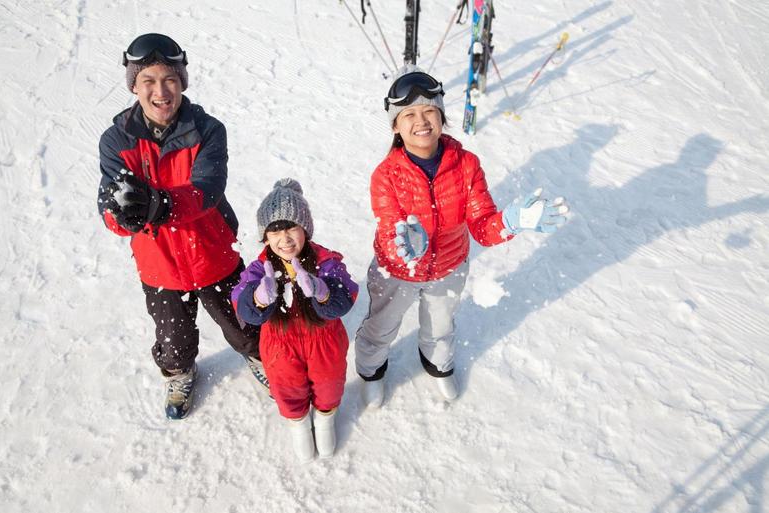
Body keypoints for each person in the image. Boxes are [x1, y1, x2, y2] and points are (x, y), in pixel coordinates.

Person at [355, 65, 569, 407]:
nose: (421, 121)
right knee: (381, 326)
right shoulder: (386, 175)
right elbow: (389, 225)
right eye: (409, 114)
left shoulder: (466, 165)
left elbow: (483, 226)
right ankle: (371, 371)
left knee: (440, 326)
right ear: (395, 125)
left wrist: (510, 222)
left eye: (429, 111)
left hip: (449, 266)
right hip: (396, 272)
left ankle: (437, 366)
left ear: (441, 116)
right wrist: (403, 245)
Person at [96, 33, 268, 420]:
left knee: (243, 322)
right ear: (134, 86)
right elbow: (108, 203)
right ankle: (179, 374)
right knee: (173, 339)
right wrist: (121, 216)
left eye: (169, 79)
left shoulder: (208, 130)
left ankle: (259, 357)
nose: (161, 92)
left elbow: (207, 189)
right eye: (149, 81)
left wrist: (159, 205)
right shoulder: (116, 140)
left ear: (182, 82)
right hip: (159, 265)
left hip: (213, 253)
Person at [232, 179, 358, 462]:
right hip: (280, 345)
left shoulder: (326, 261)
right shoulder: (259, 269)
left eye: (291, 228)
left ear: (306, 229)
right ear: (265, 237)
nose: (285, 239)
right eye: (275, 231)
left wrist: (323, 291)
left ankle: (325, 418)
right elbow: (242, 304)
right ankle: (298, 424)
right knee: (287, 388)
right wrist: (258, 298)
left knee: (329, 384)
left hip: (324, 342)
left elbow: (346, 296)